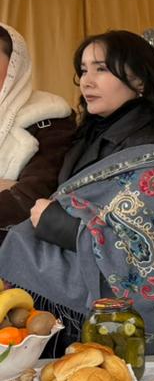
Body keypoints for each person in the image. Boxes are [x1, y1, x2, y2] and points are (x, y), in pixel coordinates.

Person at [0, 30, 154, 353]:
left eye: (102, 69)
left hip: (133, 335)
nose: (87, 81)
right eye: (83, 70)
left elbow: (149, 254)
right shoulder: (90, 135)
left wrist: (57, 223)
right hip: (77, 321)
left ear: (139, 80)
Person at [0, 24, 75, 240]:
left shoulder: (49, 116)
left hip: (13, 247)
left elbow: (31, 197)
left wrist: (16, 192)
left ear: (15, 65)